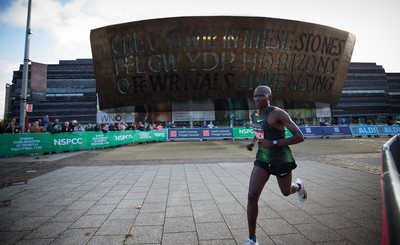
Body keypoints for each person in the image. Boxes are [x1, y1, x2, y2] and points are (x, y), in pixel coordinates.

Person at [245, 85, 307, 245]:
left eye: (261, 96)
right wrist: (253, 143)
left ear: (270, 97)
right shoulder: (254, 115)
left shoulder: (278, 113)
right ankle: (252, 238)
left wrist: (273, 142)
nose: (257, 99)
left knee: (286, 192)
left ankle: (299, 187)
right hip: (263, 160)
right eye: (255, 96)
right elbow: (259, 133)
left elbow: (299, 137)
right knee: (252, 195)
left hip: (281, 160)